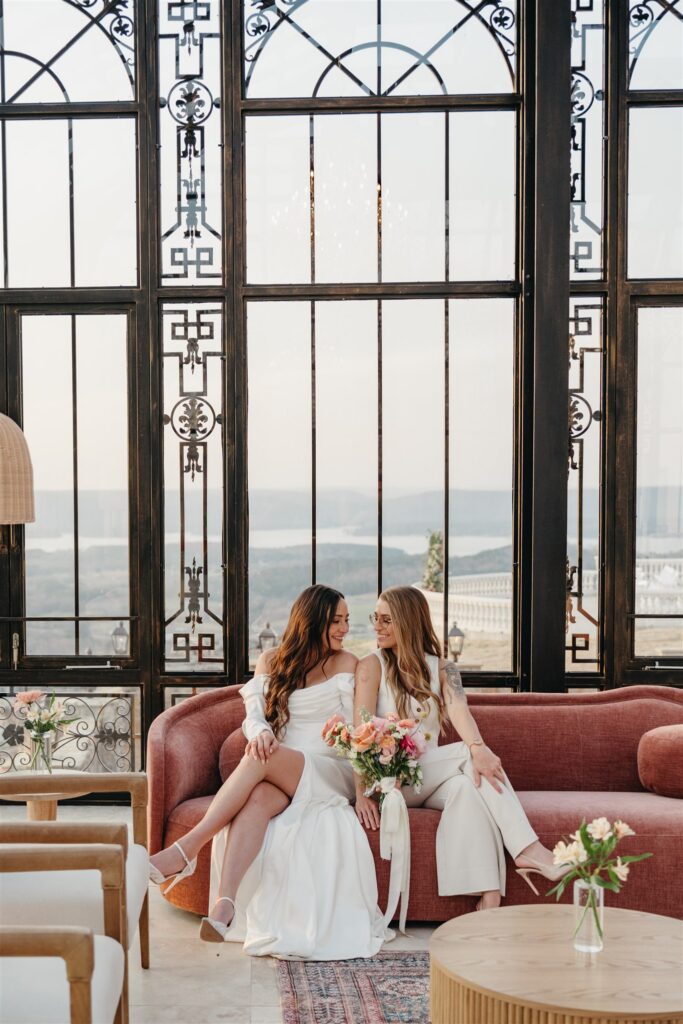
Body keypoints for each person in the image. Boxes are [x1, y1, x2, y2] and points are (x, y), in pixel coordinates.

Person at [150, 584, 387, 959]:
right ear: (312, 622)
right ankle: (225, 904)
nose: (344, 629)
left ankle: (188, 848)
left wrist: (362, 792)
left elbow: (360, 730)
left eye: (346, 620)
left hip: (330, 770)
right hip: (282, 770)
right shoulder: (273, 660)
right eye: (336, 621)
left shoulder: (348, 664)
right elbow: (254, 712)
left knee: (263, 758)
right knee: (257, 798)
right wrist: (260, 732)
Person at [353, 586, 568, 910]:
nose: (377, 627)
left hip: (431, 777)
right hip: (391, 780)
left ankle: (487, 896)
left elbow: (459, 710)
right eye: (376, 618)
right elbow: (361, 732)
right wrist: (360, 792)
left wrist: (477, 749)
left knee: (468, 787)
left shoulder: (443, 669)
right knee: (470, 754)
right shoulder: (372, 666)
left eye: (386, 620)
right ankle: (527, 849)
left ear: (408, 623)